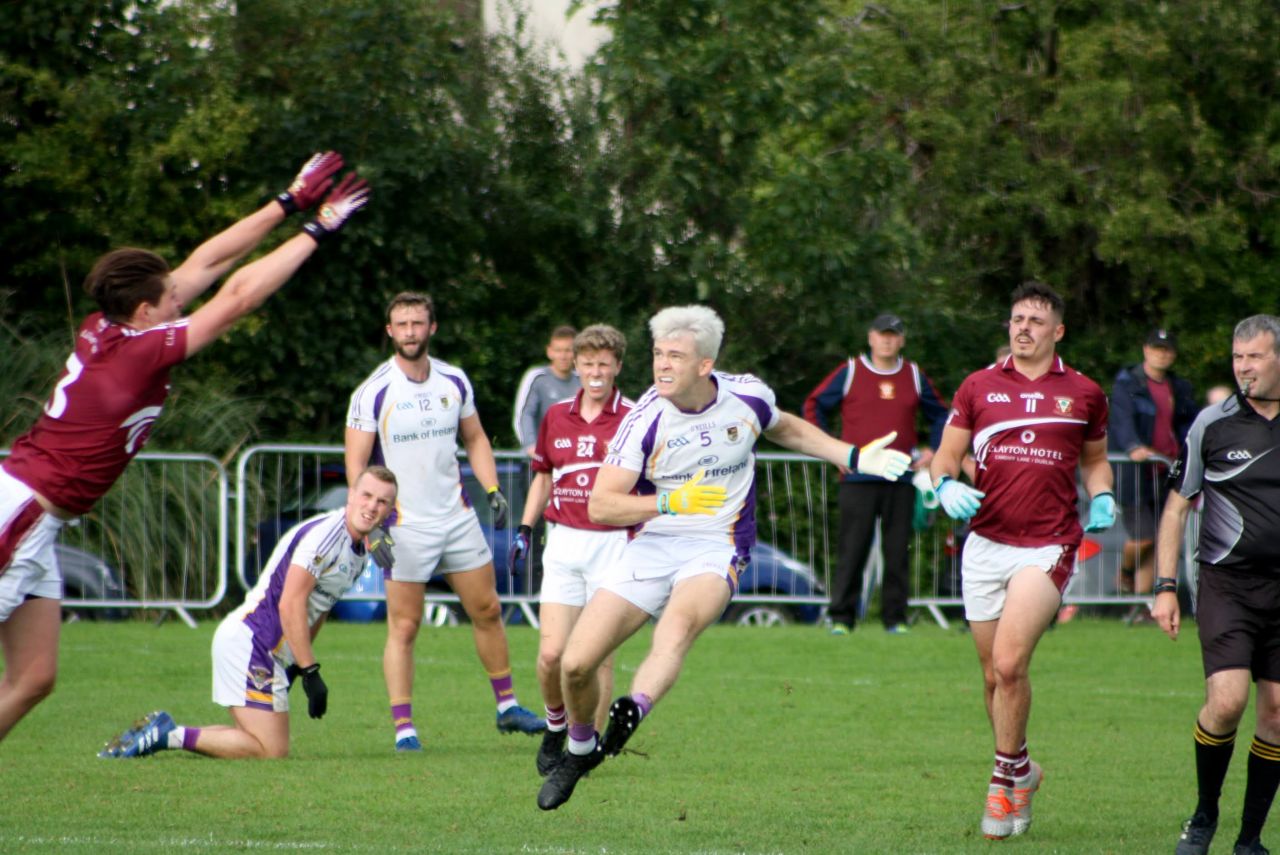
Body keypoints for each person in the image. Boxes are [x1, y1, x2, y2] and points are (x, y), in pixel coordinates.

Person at [0, 151, 368, 745]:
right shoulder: (137, 353)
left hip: (40, 516)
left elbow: (209, 261)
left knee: (35, 677)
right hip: (21, 509)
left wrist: (288, 199)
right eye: (171, 301)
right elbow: (238, 296)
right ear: (145, 313)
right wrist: (316, 230)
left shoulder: (112, 325)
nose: (182, 300)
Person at [535, 304, 912, 811]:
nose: (662, 365)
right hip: (652, 541)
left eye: (675, 355)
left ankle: (633, 708)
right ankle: (581, 749)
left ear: (705, 364)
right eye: (657, 354)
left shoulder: (747, 395)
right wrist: (669, 501)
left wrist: (852, 455)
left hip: (717, 544)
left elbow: (787, 429)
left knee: (677, 628)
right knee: (576, 665)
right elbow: (602, 503)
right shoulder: (644, 419)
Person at [929, 281, 1114, 840]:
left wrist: (1102, 494)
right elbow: (946, 457)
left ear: (1057, 331)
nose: (1023, 327)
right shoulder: (979, 385)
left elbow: (1096, 463)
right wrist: (942, 487)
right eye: (1016, 318)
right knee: (992, 676)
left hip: (1049, 542)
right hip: (984, 542)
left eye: (1035, 320)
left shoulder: (1084, 392)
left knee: (1010, 664)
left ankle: (1000, 785)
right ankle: (1024, 770)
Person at [345, 292, 545, 753]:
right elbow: (357, 467)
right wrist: (371, 527)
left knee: (489, 610)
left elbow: (474, 438)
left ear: (432, 327)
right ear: (389, 331)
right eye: (402, 324)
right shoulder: (373, 390)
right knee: (405, 626)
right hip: (403, 526)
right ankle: (404, 728)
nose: (410, 331)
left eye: (418, 323)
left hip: (457, 519)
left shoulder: (453, 380)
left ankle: (508, 707)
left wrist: (493, 489)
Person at [98, 467, 398, 759]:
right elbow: (290, 603)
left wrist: (296, 661)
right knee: (271, 750)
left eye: (381, 501)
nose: (372, 506)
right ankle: (167, 735)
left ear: (388, 510)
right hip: (252, 642)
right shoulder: (327, 537)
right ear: (351, 495)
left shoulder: (359, 552)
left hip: (270, 651)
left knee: (255, 739)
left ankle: (166, 732)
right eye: (366, 495)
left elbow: (318, 608)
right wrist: (311, 671)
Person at [1152, 315, 1280, 855]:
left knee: (1277, 714)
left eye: (1254, 356)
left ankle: (1249, 839)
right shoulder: (1212, 422)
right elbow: (1177, 509)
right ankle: (1204, 814)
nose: (1243, 367)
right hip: (1227, 584)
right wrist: (1164, 585)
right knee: (1226, 703)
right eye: (1237, 357)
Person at [507, 324, 632, 777]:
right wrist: (525, 526)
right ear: (574, 366)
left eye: (604, 364)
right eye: (587, 363)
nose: (595, 372)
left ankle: (585, 754)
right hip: (562, 543)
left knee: (597, 656)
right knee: (551, 656)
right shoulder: (556, 415)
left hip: (614, 545)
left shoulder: (634, 417)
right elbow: (543, 476)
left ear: (617, 367)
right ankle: (556, 725)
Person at [803, 312, 949, 634]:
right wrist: (831, 449)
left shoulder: (913, 375)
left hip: (901, 476)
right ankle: (841, 618)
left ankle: (895, 619)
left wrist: (934, 451)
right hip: (857, 476)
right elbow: (814, 407)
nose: (887, 340)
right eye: (881, 334)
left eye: (893, 334)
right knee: (852, 549)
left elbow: (942, 415)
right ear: (870, 337)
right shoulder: (851, 371)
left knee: (897, 552)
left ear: (902, 339)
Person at [1108, 327, 1197, 596]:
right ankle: (1124, 572)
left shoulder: (1179, 387)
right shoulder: (1128, 383)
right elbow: (1120, 420)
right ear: (1146, 350)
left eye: (1167, 349)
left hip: (1166, 468)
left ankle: (1142, 605)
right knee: (1143, 536)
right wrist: (1133, 446)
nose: (1162, 354)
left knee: (1160, 539)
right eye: (1157, 348)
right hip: (1134, 470)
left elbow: (1187, 424)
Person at [513, 325, 581, 457]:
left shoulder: (583, 381)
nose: (563, 356)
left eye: (568, 350)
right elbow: (524, 414)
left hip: (572, 461)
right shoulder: (536, 377)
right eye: (558, 350)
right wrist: (531, 446)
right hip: (538, 459)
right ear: (549, 352)